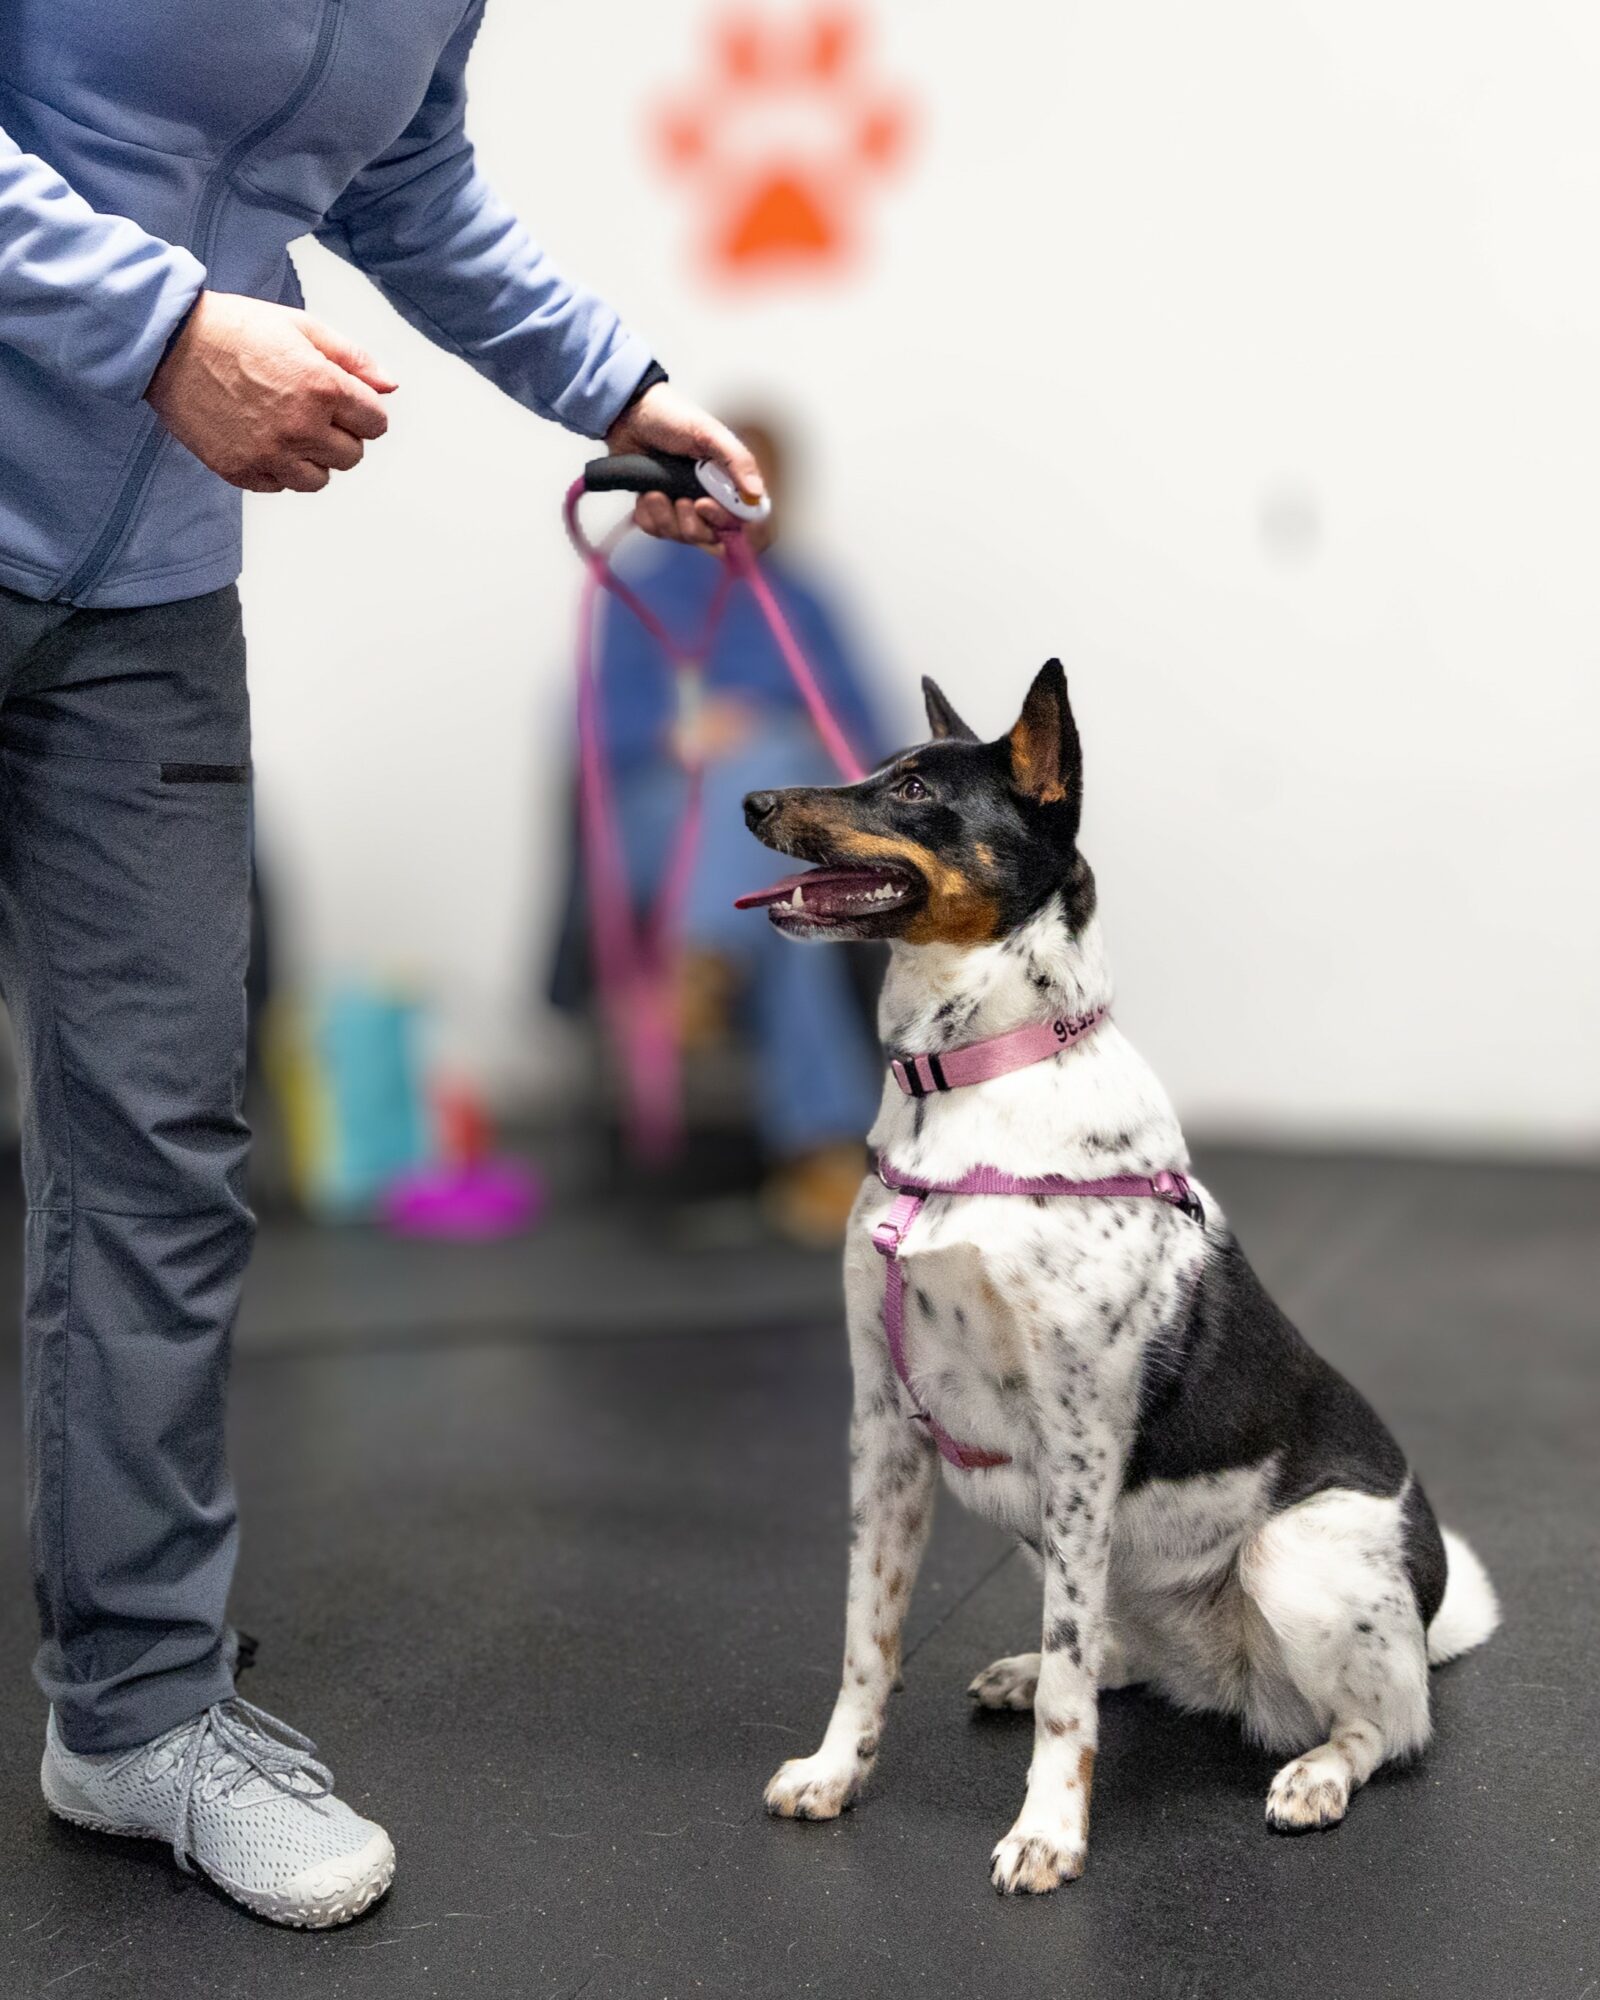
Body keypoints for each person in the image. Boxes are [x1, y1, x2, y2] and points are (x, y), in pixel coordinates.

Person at [0, 3, 763, 1929]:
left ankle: (138, 1714)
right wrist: (165, 329)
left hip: (141, 607)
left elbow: (402, 174)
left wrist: (616, 384)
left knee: (161, 1161)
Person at [596, 417, 883, 1242]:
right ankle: (825, 1153)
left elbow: (865, 736)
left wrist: (767, 738)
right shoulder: (641, 586)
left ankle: (701, 967)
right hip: (664, 818)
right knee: (777, 888)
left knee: (776, 853)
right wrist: (688, 737)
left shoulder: (807, 598)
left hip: (778, 830)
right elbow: (601, 731)